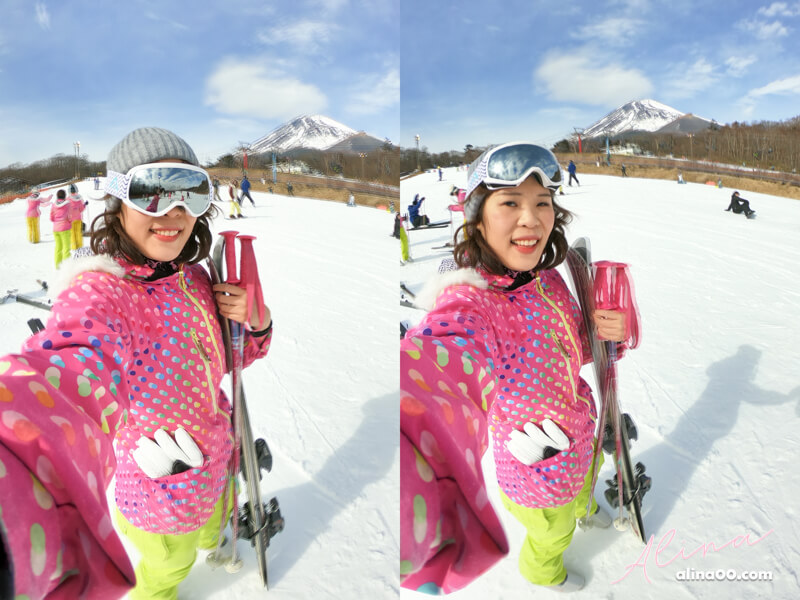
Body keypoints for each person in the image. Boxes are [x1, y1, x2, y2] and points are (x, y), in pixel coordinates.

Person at [0, 126, 273, 600]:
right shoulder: (104, 292)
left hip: (216, 457)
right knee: (170, 566)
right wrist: (21, 452)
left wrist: (255, 322)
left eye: (191, 192)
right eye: (152, 193)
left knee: (212, 524)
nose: (174, 212)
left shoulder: (195, 277)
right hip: (159, 492)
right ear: (118, 201)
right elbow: (73, 365)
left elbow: (237, 358)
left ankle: (215, 537)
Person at [400, 142, 628, 594]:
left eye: (542, 203)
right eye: (509, 203)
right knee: (552, 533)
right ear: (477, 219)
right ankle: (543, 572)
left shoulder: (546, 276)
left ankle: (584, 505)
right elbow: (445, 354)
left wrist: (606, 337)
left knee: (585, 477)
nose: (532, 218)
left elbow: (574, 351)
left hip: (579, 428)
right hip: (535, 468)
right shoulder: (474, 302)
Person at [50, 189, 72, 268]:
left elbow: (51, 217)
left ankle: (58, 266)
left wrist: (56, 221)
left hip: (56, 229)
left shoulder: (53, 205)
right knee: (66, 248)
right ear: (65, 196)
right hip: (65, 228)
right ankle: (67, 266)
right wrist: (69, 222)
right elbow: (70, 216)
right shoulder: (68, 204)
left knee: (58, 248)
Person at [67, 183, 87, 250]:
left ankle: (73, 247)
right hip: (78, 219)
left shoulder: (68, 199)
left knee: (72, 234)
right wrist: (84, 205)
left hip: (71, 220)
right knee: (78, 233)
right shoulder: (79, 198)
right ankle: (80, 246)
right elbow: (81, 209)